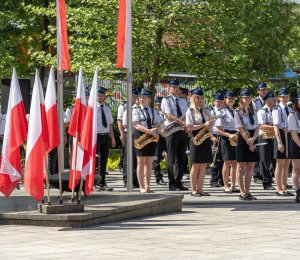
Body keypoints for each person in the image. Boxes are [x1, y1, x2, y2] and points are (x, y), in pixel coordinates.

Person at [161, 79, 189, 191]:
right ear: (169, 88)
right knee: (171, 157)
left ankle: (178, 181)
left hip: (182, 130)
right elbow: (168, 115)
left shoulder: (182, 100)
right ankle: (171, 183)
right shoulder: (165, 100)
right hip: (172, 130)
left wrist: (187, 126)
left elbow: (186, 114)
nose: (176, 89)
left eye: (177, 87)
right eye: (174, 87)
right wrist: (182, 122)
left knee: (181, 158)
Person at [186, 88, 213, 196]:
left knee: (203, 165)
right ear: (193, 98)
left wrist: (210, 124)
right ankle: (193, 190)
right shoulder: (191, 111)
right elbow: (189, 127)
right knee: (196, 165)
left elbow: (209, 126)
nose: (200, 99)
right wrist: (204, 125)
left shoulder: (206, 110)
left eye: (202, 97)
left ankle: (200, 189)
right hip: (196, 138)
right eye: (197, 97)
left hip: (205, 138)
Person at [133, 89, 160, 193]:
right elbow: (137, 125)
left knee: (149, 163)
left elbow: (159, 126)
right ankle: (141, 187)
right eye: (140, 98)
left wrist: (156, 131)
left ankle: (148, 186)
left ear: (149, 99)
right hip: (141, 136)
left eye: (143, 98)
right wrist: (150, 131)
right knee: (140, 163)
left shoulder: (153, 111)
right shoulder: (136, 110)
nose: (141, 99)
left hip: (152, 137)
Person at [235, 88, 259, 200]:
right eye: (245, 97)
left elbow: (257, 128)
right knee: (240, 167)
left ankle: (248, 192)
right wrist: (249, 143)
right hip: (243, 140)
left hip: (253, 139)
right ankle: (242, 192)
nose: (248, 98)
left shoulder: (254, 111)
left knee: (250, 167)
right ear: (241, 99)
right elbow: (241, 129)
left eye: (249, 97)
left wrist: (253, 140)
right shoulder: (238, 112)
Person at [216, 90, 239, 193]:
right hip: (226, 137)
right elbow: (218, 129)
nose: (231, 100)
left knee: (235, 163)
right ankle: (226, 186)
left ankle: (233, 185)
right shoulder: (221, 112)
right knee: (227, 163)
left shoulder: (237, 111)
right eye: (229, 98)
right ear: (225, 99)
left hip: (236, 136)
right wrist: (229, 135)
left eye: (233, 98)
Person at [272, 86, 294, 196]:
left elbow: (292, 124)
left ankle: (285, 188)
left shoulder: (290, 109)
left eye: (286, 96)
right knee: (280, 164)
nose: (285, 98)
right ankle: (279, 188)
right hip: (280, 135)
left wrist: (289, 129)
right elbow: (276, 126)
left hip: (288, 135)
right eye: (283, 96)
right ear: (279, 98)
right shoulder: (277, 109)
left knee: (287, 163)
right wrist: (279, 142)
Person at [96, 87, 116, 191]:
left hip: (105, 136)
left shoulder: (107, 108)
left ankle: (102, 182)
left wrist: (112, 137)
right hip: (96, 136)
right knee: (94, 161)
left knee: (103, 161)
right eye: (98, 95)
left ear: (105, 96)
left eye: (101, 95)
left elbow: (110, 124)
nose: (99, 97)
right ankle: (93, 182)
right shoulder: (92, 107)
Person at [257, 91, 277, 190]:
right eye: (273, 99)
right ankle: (267, 182)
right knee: (265, 160)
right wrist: (275, 127)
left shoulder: (275, 110)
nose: (275, 100)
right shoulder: (261, 111)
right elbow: (261, 125)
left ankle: (280, 181)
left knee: (276, 160)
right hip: (264, 137)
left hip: (274, 137)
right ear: (267, 101)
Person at [121, 89, 140, 188]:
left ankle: (135, 180)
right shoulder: (129, 108)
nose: (136, 98)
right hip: (130, 135)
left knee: (136, 159)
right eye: (134, 96)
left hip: (138, 136)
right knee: (128, 159)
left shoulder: (139, 109)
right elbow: (125, 125)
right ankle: (127, 181)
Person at [252, 82, 268, 184]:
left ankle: (264, 174)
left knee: (264, 154)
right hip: (257, 129)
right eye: (262, 90)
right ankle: (256, 175)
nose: (264, 91)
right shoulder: (254, 102)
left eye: (265, 89)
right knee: (255, 153)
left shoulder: (269, 100)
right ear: (258, 91)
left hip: (266, 130)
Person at [210, 91, 225, 187]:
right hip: (214, 136)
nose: (219, 103)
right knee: (214, 159)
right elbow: (207, 127)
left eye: (221, 102)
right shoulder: (211, 112)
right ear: (214, 101)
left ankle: (222, 179)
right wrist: (211, 137)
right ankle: (213, 180)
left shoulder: (225, 111)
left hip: (223, 136)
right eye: (217, 102)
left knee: (223, 159)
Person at [288, 93, 300, 202]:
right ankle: (298, 192)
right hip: (297, 141)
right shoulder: (292, 115)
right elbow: (293, 132)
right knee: (296, 169)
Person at [152, 97, 167, 185]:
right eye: (157, 105)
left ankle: (174, 178)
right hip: (159, 136)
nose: (158, 106)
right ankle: (158, 178)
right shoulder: (154, 113)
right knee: (156, 158)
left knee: (173, 157)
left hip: (168, 136)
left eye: (160, 105)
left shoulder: (167, 114)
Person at [179, 87, 190, 178]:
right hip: (180, 127)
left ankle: (185, 167)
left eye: (181, 93)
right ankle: (180, 170)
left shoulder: (189, 104)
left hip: (188, 129)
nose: (179, 95)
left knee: (186, 151)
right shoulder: (178, 102)